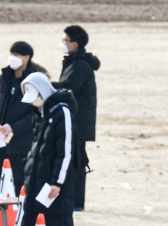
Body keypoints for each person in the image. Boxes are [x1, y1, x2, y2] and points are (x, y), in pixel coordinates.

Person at [21, 73, 76, 226]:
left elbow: (66, 150)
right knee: (37, 224)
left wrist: (57, 182)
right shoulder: (41, 113)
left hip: (53, 183)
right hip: (37, 179)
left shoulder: (62, 112)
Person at [0, 42, 49, 196]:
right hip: (0, 139)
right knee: (0, 176)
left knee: (20, 178)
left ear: (27, 58)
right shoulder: (3, 78)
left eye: (17, 55)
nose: (12, 58)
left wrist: (14, 127)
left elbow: (35, 112)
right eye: (11, 54)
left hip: (22, 141)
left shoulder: (33, 82)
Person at [59, 25, 99, 211]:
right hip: (76, 120)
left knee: (77, 161)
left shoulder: (80, 65)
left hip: (79, 122)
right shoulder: (73, 62)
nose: (63, 43)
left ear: (74, 44)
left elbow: (67, 87)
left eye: (66, 40)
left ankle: (77, 202)